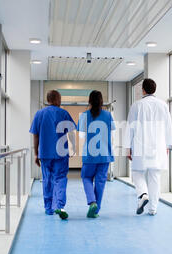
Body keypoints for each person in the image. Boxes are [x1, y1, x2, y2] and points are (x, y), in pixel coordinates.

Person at [123, 78, 172, 216]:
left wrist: (127, 147)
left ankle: (143, 194)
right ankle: (153, 209)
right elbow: (168, 127)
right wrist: (168, 145)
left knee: (137, 172)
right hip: (158, 146)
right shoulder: (163, 105)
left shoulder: (137, 105)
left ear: (143, 90)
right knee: (155, 177)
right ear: (154, 90)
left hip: (140, 145)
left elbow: (130, 127)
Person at [30, 90, 76, 220]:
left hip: (45, 153)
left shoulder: (39, 114)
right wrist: (72, 148)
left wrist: (36, 153)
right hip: (61, 152)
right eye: (60, 99)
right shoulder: (64, 113)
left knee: (47, 179)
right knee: (60, 178)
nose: (60, 101)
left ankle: (48, 208)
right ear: (56, 99)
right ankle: (59, 206)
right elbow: (71, 132)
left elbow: (35, 135)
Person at [77, 90, 115, 218]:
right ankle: (96, 209)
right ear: (101, 101)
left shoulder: (83, 116)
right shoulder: (108, 115)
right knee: (100, 182)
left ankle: (92, 202)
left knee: (86, 177)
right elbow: (112, 131)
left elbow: (81, 135)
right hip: (104, 155)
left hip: (89, 155)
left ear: (89, 101)